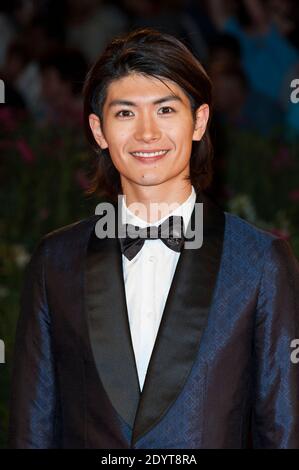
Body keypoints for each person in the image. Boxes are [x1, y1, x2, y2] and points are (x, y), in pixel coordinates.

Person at [8, 28, 299, 449]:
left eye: (165, 110)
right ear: (98, 130)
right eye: (125, 113)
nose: (147, 133)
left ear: (198, 121)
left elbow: (283, 431)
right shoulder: (56, 261)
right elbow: (32, 429)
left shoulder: (260, 262)